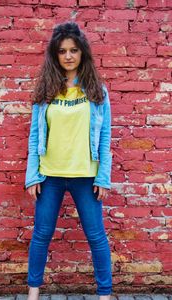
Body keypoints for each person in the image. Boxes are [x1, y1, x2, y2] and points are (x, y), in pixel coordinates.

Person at [24, 21, 113, 300]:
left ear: (82, 52)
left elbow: (106, 135)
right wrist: (32, 176)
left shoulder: (96, 91)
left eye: (74, 50)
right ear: (55, 54)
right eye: (62, 51)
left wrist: (103, 177)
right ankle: (33, 294)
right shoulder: (46, 91)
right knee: (41, 236)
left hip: (85, 176)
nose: (69, 56)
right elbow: (34, 136)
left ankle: (105, 294)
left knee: (96, 237)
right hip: (49, 176)